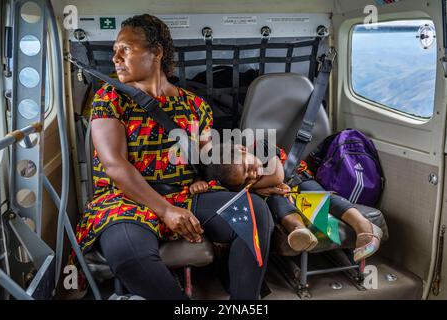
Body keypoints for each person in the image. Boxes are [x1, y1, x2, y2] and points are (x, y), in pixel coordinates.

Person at [75, 14, 274, 300]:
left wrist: (246, 173)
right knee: (128, 254)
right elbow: (114, 165)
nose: (116, 57)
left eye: (125, 49)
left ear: (156, 52)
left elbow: (209, 160)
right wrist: (165, 211)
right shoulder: (110, 98)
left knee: (254, 212)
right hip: (123, 200)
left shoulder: (195, 105)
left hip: (184, 195)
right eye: (115, 50)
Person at [197, 140, 383, 262]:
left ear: (243, 150)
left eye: (247, 167)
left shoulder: (260, 146)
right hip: (279, 193)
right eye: (245, 180)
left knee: (317, 196)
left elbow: (278, 175)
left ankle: (364, 226)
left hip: (298, 179)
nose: (252, 175)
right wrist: (260, 189)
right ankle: (299, 231)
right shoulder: (250, 178)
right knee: (277, 202)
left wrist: (255, 186)